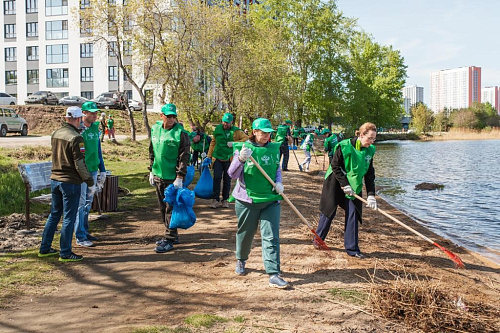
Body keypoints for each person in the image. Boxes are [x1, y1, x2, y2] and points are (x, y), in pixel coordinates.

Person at [228, 118, 290, 289]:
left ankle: (273, 273)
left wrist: (279, 183)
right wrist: (240, 159)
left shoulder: (273, 148)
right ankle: (241, 260)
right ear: (254, 132)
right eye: (263, 133)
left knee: (271, 236)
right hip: (247, 200)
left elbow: (276, 168)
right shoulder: (243, 148)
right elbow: (232, 174)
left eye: (269, 133)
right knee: (246, 233)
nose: (266, 136)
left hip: (270, 199)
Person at [38, 106, 94, 262]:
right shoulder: (76, 138)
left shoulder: (56, 133)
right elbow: (79, 163)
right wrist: (89, 181)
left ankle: (45, 248)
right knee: (69, 216)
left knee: (54, 214)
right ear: (77, 119)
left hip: (55, 179)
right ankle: (66, 252)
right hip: (70, 181)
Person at [315, 122, 377, 259]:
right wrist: (344, 185)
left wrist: (371, 195)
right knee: (329, 211)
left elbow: (369, 174)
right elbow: (335, 166)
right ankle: (318, 240)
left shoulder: (370, 150)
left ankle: (352, 248)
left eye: (374, 139)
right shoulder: (344, 146)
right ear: (361, 135)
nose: (371, 142)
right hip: (335, 181)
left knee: (353, 214)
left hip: (354, 185)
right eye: (369, 138)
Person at [148, 103, 190, 253]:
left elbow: (184, 156)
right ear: (162, 116)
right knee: (162, 208)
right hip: (159, 173)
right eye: (168, 116)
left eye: (173, 116)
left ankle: (169, 238)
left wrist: (180, 176)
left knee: (171, 208)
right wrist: (151, 169)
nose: (171, 119)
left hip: (173, 177)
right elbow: (152, 150)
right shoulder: (155, 129)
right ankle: (171, 233)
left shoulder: (180, 133)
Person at [74, 101, 107, 247]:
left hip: (93, 169)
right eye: (91, 113)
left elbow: (98, 150)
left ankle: (85, 231)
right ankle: (79, 236)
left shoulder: (95, 127)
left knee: (88, 203)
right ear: (84, 113)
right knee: (80, 204)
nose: (94, 115)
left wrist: (103, 169)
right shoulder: (79, 129)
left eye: (96, 113)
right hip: (82, 171)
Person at [207, 112, 248, 209]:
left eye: (227, 123)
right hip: (218, 157)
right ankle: (215, 199)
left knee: (227, 179)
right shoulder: (217, 129)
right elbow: (213, 142)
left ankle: (225, 199)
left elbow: (246, 139)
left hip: (229, 158)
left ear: (231, 122)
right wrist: (209, 155)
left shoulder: (236, 131)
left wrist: (234, 143)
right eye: (224, 122)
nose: (225, 124)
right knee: (216, 178)